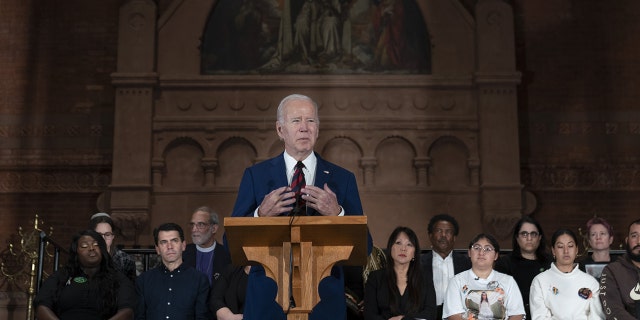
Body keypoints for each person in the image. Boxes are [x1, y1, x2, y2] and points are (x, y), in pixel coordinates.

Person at [229, 93, 371, 320]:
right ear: (279, 130)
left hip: (323, 302)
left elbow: (366, 247)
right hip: (268, 301)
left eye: (311, 120)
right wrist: (260, 215)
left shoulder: (342, 179)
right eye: (296, 121)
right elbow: (230, 244)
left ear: (318, 128)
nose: (304, 127)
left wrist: (337, 214)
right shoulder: (256, 176)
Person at [33, 229, 136, 320]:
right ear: (76, 253)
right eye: (84, 246)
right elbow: (41, 306)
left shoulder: (117, 278)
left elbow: (127, 312)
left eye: (96, 245)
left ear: (102, 250)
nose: (91, 248)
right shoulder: (61, 276)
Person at [135, 223, 210, 320]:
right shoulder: (144, 280)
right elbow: (139, 317)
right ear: (157, 249)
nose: (169, 246)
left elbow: (202, 317)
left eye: (174, 241)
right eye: (164, 242)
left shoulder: (199, 280)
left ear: (183, 245)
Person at [443, 233, 525, 320]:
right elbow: (454, 316)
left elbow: (517, 315)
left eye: (488, 249)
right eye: (477, 248)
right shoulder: (456, 281)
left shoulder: (508, 281)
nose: (481, 252)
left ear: (496, 256)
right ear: (469, 252)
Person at [529, 228, 604, 319]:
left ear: (576, 250)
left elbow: (597, 316)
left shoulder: (590, 282)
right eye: (560, 246)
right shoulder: (540, 281)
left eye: (570, 246)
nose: (566, 251)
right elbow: (539, 317)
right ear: (553, 251)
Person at [363, 226, 436, 320]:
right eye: (398, 243)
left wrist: (404, 319)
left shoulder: (425, 277)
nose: (403, 248)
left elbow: (431, 313)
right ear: (390, 248)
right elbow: (369, 315)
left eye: (409, 244)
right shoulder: (375, 277)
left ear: (414, 253)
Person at [494, 216, 552, 319]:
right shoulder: (505, 264)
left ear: (539, 237)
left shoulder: (550, 263)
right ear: (517, 238)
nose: (529, 238)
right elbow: (499, 298)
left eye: (533, 234)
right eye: (524, 234)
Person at [420, 214, 471, 320]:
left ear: (454, 238)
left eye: (448, 232)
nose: (443, 235)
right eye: (438, 231)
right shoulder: (418, 264)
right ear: (430, 235)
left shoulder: (467, 264)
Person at [599, 218, 640, 319]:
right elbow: (613, 310)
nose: (639, 241)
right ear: (627, 240)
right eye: (634, 236)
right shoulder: (612, 271)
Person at [183, 206, 231, 287]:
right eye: (192, 224)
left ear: (214, 228)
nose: (194, 229)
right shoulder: (183, 253)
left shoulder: (226, 255)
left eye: (200, 224)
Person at [88, 212, 137, 282]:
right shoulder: (83, 258)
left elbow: (130, 289)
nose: (103, 239)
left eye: (107, 235)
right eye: (98, 235)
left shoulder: (124, 259)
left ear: (112, 236)